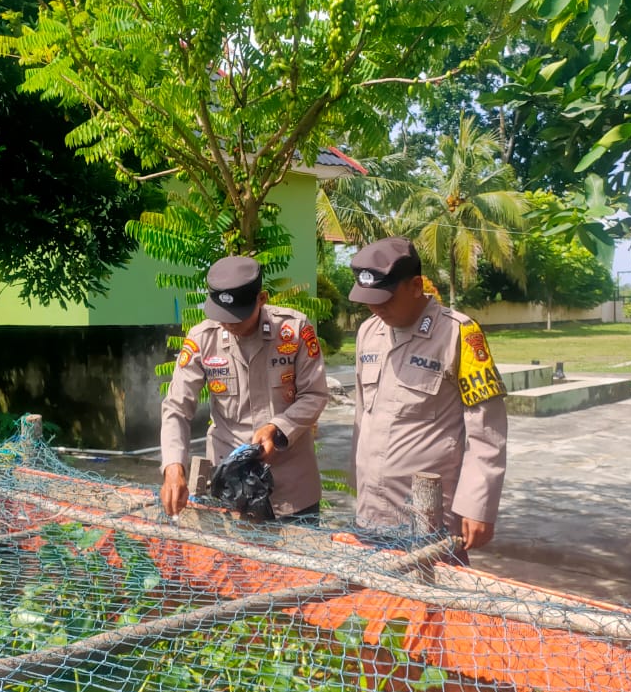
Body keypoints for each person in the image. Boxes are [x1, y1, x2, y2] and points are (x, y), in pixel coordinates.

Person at [348, 237, 507, 556]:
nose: (376, 308)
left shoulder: (459, 335)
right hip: (371, 511)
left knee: (433, 603)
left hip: (429, 519)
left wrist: (478, 505)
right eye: (368, 300)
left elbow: (487, 432)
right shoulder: (369, 332)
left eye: (385, 298)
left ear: (416, 286)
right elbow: (362, 416)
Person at [160, 256, 328, 520]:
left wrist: (278, 428)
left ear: (261, 299)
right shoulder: (203, 339)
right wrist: (173, 465)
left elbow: (315, 394)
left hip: (292, 492)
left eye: (237, 316)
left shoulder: (294, 331)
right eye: (221, 315)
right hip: (230, 490)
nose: (228, 323)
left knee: (293, 563)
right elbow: (176, 408)